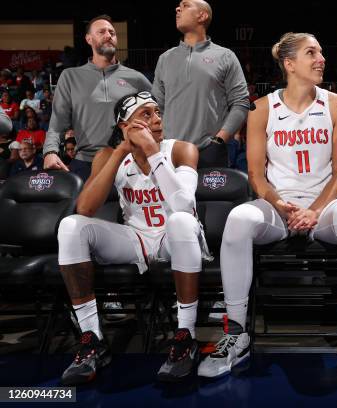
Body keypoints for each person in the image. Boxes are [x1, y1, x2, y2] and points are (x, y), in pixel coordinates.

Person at [197, 32, 337, 381]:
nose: (321, 58)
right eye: (311, 53)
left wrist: (315, 210)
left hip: (325, 206)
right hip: (277, 205)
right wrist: (281, 204)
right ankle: (235, 331)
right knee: (239, 218)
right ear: (289, 64)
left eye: (320, 52)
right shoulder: (260, 108)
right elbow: (256, 175)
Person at [58, 91, 210, 385]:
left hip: (175, 237)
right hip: (135, 238)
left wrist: (153, 152)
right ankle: (92, 340)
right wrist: (119, 152)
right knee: (71, 226)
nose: (156, 120)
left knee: (179, 220)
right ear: (123, 126)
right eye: (146, 114)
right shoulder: (107, 156)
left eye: (157, 112)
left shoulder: (181, 149)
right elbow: (86, 208)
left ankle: (186, 336)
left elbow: (183, 206)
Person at [43, 15, 152, 181]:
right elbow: (58, 122)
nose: (109, 35)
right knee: (83, 208)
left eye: (112, 32)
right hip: (86, 164)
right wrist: (50, 152)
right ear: (89, 39)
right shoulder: (71, 76)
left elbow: (159, 114)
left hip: (129, 162)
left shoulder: (136, 78)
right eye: (102, 32)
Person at [152, 0, 250, 168]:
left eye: (185, 5)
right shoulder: (165, 59)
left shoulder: (225, 56)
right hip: (169, 152)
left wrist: (219, 140)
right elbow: (156, 107)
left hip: (209, 152)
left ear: (202, 15)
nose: (177, 9)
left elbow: (241, 102)